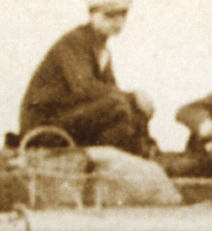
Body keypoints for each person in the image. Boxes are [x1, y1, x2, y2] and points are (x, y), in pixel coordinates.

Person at [19, 1, 156, 159]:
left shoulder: (101, 50)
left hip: (69, 118)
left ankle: (145, 154)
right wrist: (132, 98)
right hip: (45, 124)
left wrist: (136, 106)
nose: (118, 21)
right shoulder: (75, 42)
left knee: (128, 109)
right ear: (93, 15)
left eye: (123, 14)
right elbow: (84, 88)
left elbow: (110, 92)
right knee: (118, 104)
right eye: (109, 15)